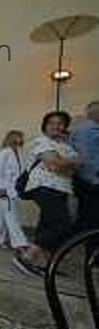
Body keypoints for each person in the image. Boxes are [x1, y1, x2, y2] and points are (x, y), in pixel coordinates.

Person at [13, 111, 82, 275]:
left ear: (65, 127)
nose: (56, 126)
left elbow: (74, 168)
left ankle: (47, 264)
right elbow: (54, 165)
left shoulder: (67, 147)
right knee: (61, 223)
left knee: (47, 223)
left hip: (62, 189)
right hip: (44, 187)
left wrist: (63, 163)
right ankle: (27, 256)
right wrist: (68, 162)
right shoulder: (41, 142)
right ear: (45, 126)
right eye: (51, 123)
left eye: (60, 123)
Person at [0, 130, 28, 250]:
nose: (20, 140)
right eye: (17, 137)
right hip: (3, 188)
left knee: (3, 214)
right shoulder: (4, 152)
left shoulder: (19, 153)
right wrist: (2, 189)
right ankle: (20, 242)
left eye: (21, 137)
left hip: (13, 189)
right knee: (11, 215)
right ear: (11, 138)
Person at [71, 101, 99, 235]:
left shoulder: (78, 129)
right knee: (92, 220)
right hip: (92, 181)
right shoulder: (91, 130)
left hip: (81, 180)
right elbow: (88, 158)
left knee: (85, 216)